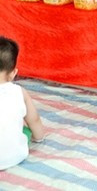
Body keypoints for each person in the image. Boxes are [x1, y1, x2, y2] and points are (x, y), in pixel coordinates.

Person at [0, 36, 45, 170]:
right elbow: (34, 120)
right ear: (13, 73)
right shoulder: (20, 92)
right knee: (24, 131)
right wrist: (39, 138)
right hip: (14, 156)